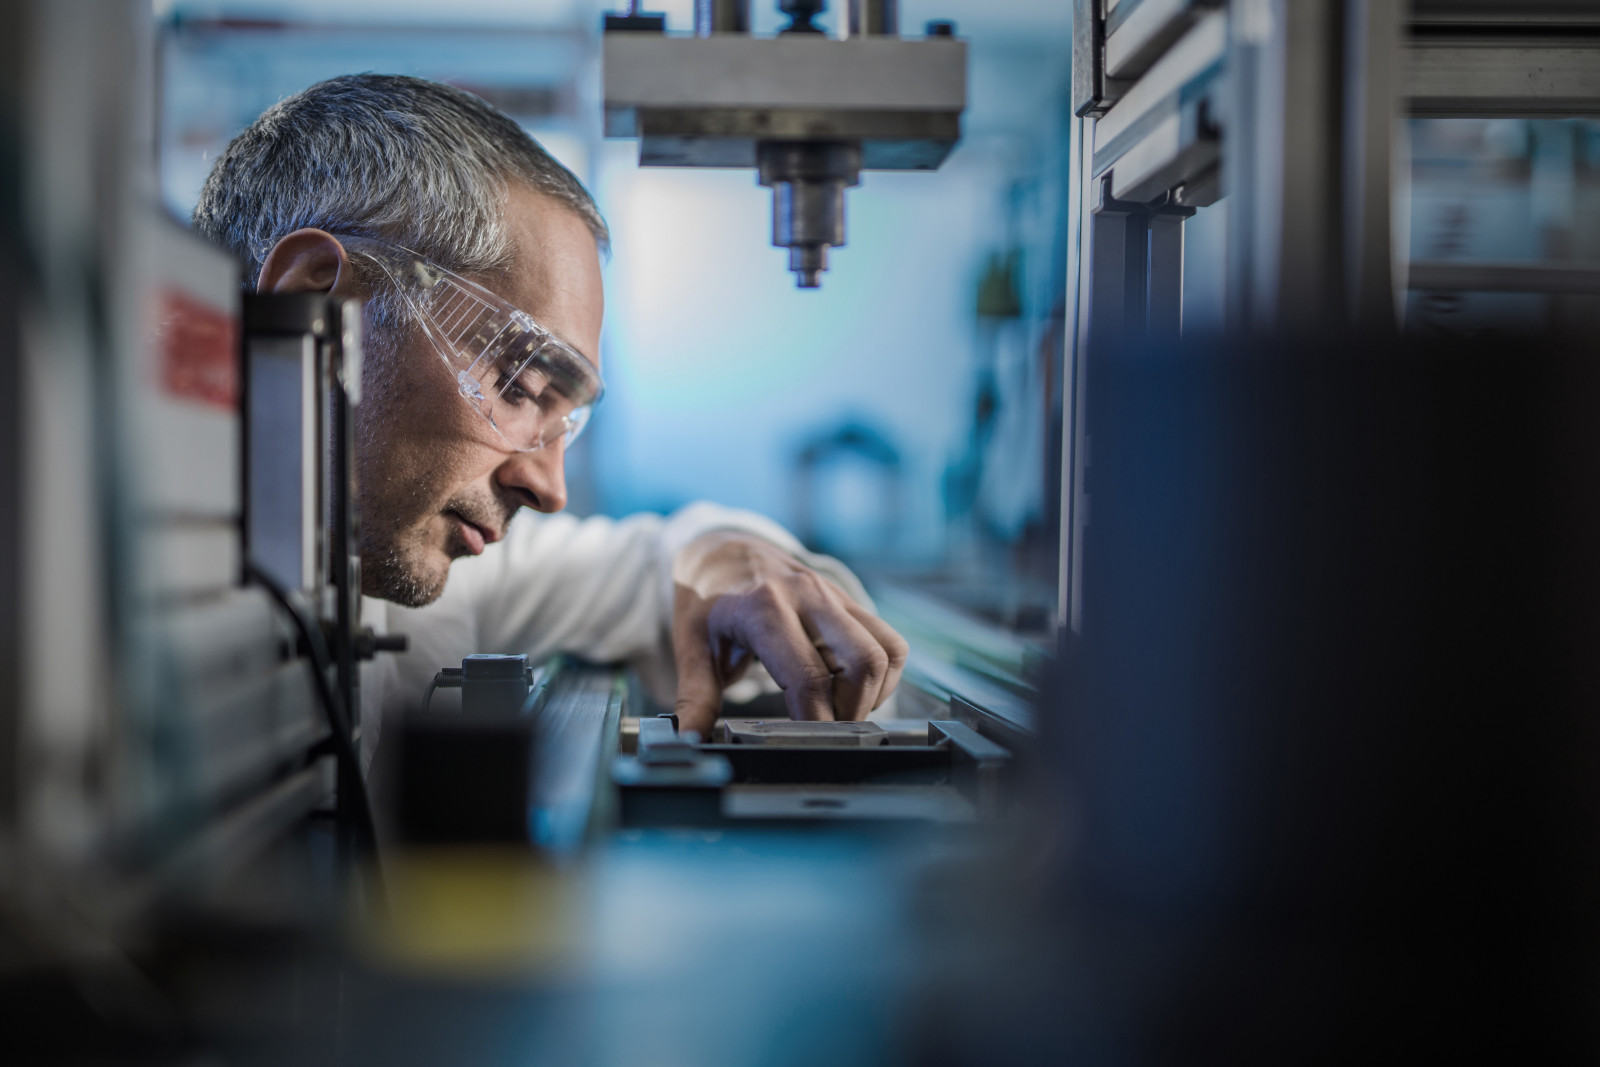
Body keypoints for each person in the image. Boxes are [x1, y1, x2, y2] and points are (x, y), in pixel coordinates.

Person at [192, 74, 908, 762]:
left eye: (564, 419)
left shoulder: (406, 560)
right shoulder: (93, 610)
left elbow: (648, 568)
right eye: (521, 384)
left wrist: (721, 555)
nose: (550, 489)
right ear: (314, 299)